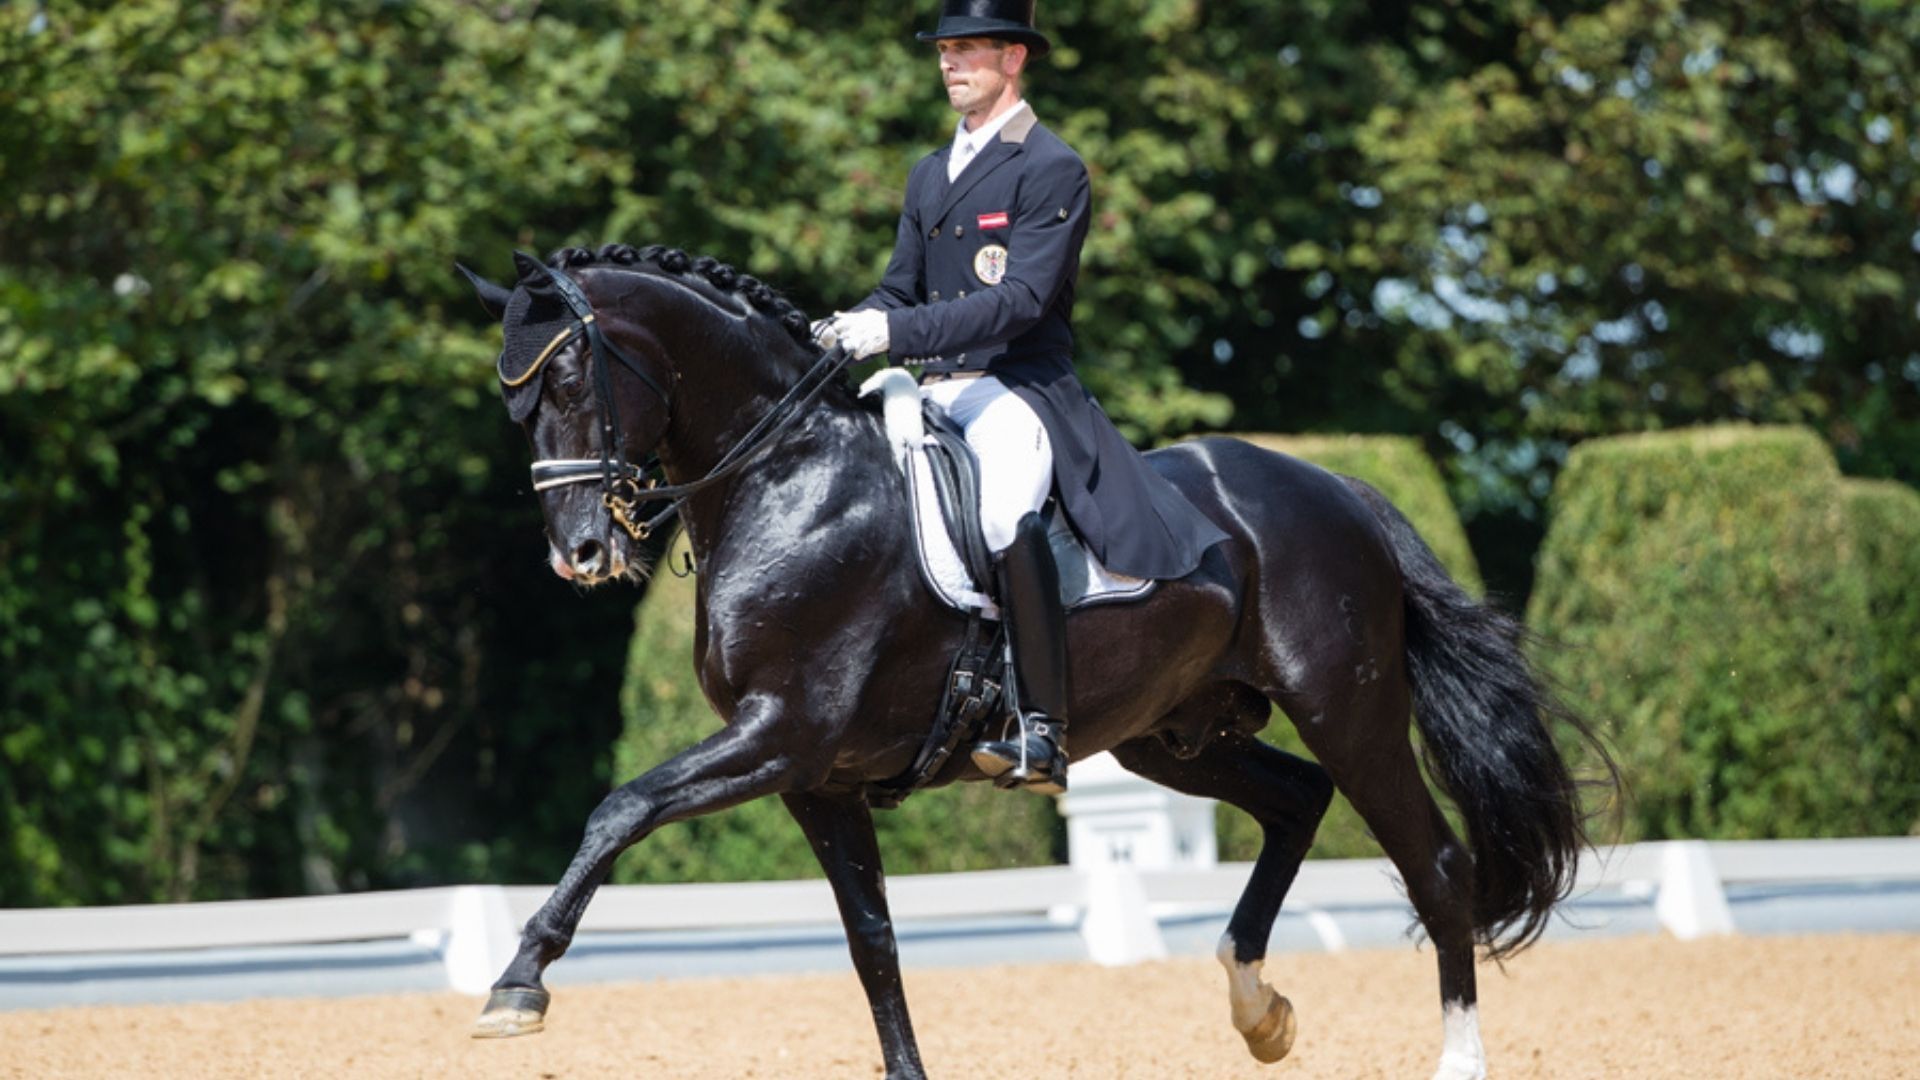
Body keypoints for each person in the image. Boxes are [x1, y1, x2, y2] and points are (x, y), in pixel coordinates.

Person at [818, 0, 1228, 794]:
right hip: (931, 387)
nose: (950, 63)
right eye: (944, 49)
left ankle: (1042, 727)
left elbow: (1023, 300)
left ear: (1014, 60)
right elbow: (900, 286)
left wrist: (894, 334)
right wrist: (850, 322)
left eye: (968, 49)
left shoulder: (1050, 166)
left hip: (1015, 389)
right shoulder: (930, 172)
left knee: (1006, 513)